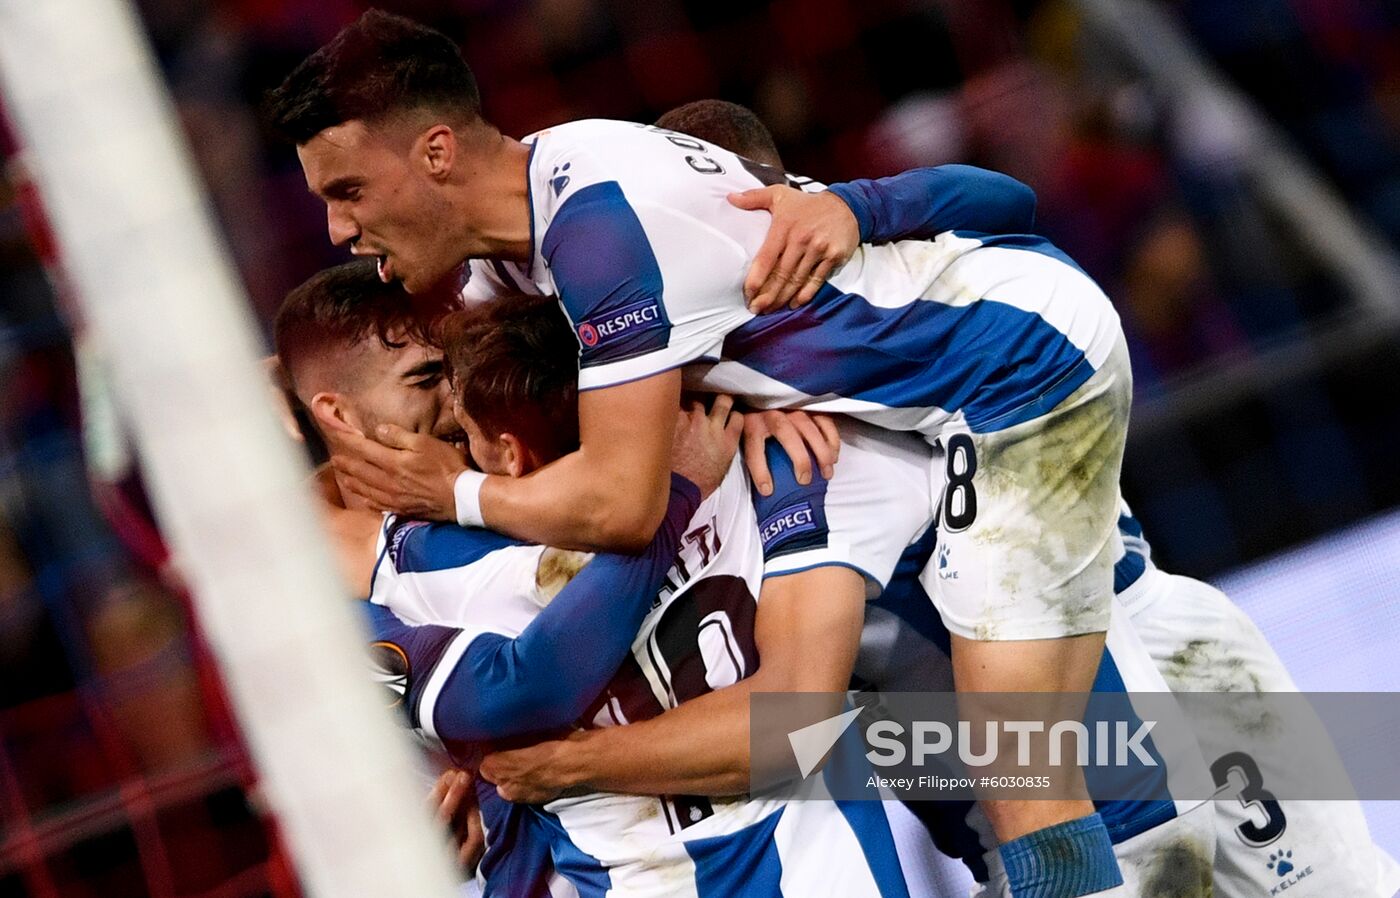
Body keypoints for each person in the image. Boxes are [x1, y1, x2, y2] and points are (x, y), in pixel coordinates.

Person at [268, 14, 1131, 891]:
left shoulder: (604, 223)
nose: (339, 227)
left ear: (437, 153)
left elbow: (625, 506)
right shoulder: (522, 243)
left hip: (1021, 378)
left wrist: (455, 495)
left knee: (1018, 766)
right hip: (918, 424)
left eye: (348, 191)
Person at [663, 98, 1400, 898]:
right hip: (1046, 763)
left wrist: (863, 207)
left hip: (1146, 672)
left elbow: (1008, 198)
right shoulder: (700, 411)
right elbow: (811, 723)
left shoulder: (878, 287)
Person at [276, 262, 917, 897]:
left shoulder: (688, 462)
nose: (453, 398)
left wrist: (743, 412)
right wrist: (679, 489)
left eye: (452, 373)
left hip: (817, 838)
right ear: (335, 414)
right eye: (424, 379)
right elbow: (523, 685)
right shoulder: (352, 597)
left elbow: (797, 721)